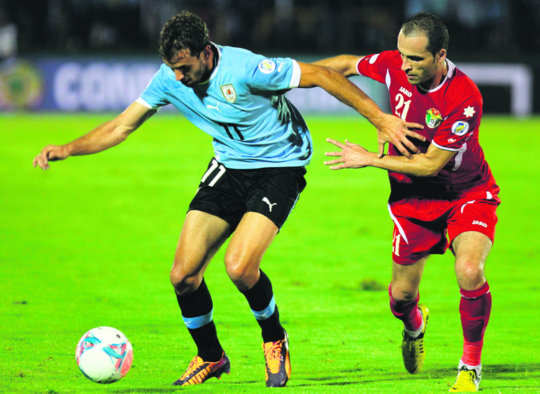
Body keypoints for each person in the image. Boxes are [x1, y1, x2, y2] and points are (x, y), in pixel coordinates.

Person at [33, 10, 423, 387]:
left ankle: (274, 337)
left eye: (184, 67)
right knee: (183, 276)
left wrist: (380, 118)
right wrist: (68, 149)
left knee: (239, 267)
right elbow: (121, 127)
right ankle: (210, 355)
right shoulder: (170, 79)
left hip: (279, 168)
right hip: (229, 167)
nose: (178, 77)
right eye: (172, 68)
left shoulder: (246, 68)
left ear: (206, 52)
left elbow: (320, 74)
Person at [319, 12, 499, 392]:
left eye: (416, 59)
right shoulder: (395, 65)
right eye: (402, 56)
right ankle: (414, 324)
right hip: (412, 201)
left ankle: (470, 367)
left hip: (465, 193)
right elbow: (346, 65)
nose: (405, 66)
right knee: (400, 297)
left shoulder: (465, 98)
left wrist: (370, 158)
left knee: (469, 271)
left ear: (440, 55)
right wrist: (293, 79)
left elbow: (432, 164)